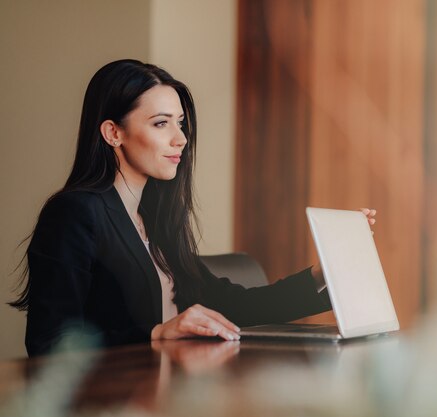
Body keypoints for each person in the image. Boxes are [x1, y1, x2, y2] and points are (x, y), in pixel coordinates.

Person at [10, 59, 376, 357]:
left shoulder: (155, 218)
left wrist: (321, 272)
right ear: (113, 133)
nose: (181, 139)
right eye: (161, 124)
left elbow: (237, 306)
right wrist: (156, 334)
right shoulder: (74, 213)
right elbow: (48, 344)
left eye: (180, 123)